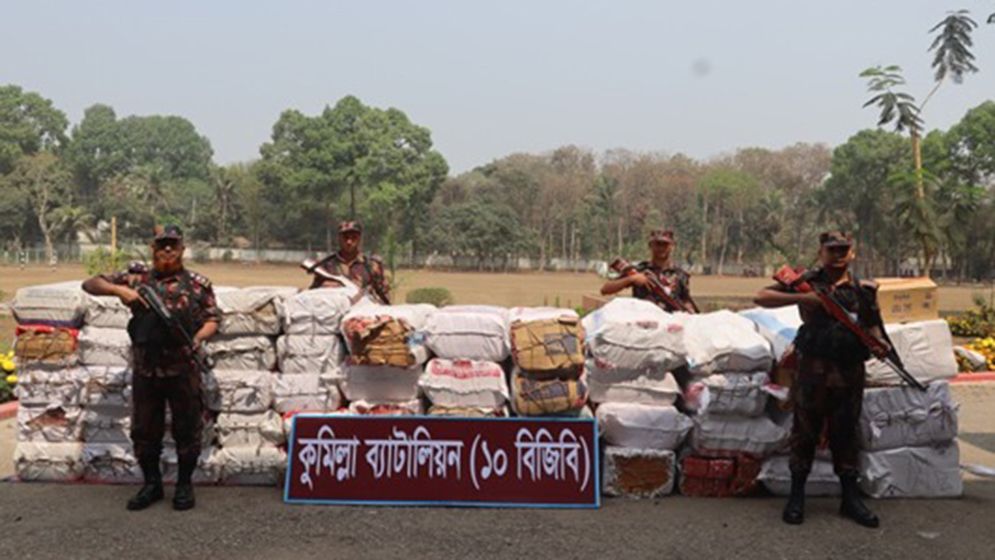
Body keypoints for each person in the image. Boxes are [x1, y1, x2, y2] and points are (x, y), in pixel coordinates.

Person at [754, 231, 886, 528]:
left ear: (852, 253)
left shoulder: (862, 289)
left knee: (846, 432)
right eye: (832, 250)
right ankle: (796, 496)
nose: (838, 255)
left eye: (844, 250)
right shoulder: (808, 281)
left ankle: (850, 498)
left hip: (849, 371)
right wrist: (805, 297)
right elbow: (760, 296)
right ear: (821, 252)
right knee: (805, 432)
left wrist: (879, 344)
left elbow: (873, 324)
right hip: (812, 370)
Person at [82, 224, 219, 512]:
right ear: (153, 249)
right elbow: (90, 284)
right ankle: (152, 485)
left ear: (182, 249)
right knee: (145, 432)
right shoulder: (137, 278)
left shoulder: (197, 284)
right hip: (146, 371)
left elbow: (213, 318)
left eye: (173, 245)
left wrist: (197, 338)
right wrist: (120, 290)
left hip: (182, 368)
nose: (167, 250)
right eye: (161, 245)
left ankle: (184, 485)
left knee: (187, 430)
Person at [600, 229, 698, 313]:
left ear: (672, 246)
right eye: (658, 244)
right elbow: (605, 289)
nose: (661, 248)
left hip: (670, 327)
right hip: (644, 326)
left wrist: (689, 310)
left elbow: (685, 299)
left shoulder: (680, 275)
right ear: (650, 245)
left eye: (665, 244)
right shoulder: (640, 270)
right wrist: (632, 279)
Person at [305, 221, 390, 303]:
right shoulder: (325, 266)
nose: (349, 242)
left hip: (363, 313)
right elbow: (314, 296)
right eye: (345, 237)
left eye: (353, 237)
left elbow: (384, 297)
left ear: (359, 238)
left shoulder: (371, 266)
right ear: (339, 238)